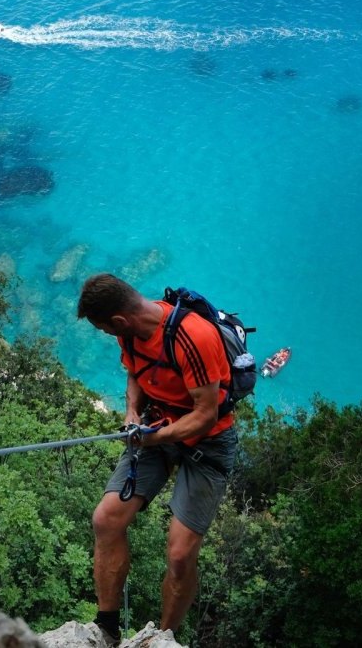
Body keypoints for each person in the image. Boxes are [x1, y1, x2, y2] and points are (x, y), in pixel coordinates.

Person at [77, 273, 238, 645]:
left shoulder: (193, 337)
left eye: (105, 329)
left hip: (207, 444)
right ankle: (107, 627)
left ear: (119, 320)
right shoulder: (129, 331)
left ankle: (163, 637)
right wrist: (132, 411)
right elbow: (136, 371)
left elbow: (205, 415)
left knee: (180, 554)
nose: (107, 335)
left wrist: (154, 438)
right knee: (105, 520)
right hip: (156, 427)